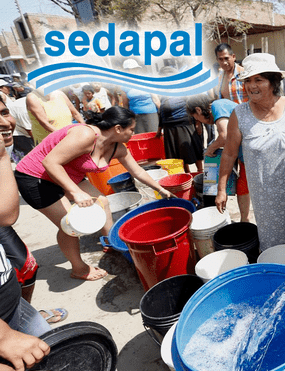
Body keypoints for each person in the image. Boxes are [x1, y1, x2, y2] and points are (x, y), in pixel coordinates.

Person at [14, 106, 173, 281]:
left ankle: (111, 242)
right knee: (69, 224)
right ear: (118, 129)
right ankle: (79, 269)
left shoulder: (118, 148)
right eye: (131, 130)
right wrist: (75, 193)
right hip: (35, 177)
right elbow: (50, 162)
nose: (132, 134)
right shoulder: (85, 134)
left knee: (102, 202)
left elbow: (138, 172)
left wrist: (161, 189)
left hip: (66, 175)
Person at [215, 53, 285, 250]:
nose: (251, 86)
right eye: (248, 80)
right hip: (265, 199)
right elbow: (229, 154)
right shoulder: (240, 114)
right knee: (272, 248)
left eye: (258, 80)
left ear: (273, 81)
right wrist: (221, 189)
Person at [0, 95, 51, 370]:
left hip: (12, 306)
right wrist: (3, 335)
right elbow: (7, 214)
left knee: (27, 268)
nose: (6, 122)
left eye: (5, 112)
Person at [212, 43, 252, 224]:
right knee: (227, 170)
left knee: (245, 175)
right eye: (220, 59)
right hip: (228, 130)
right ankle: (227, 214)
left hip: (245, 128)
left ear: (234, 56)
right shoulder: (219, 77)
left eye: (226, 58)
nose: (224, 62)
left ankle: (245, 218)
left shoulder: (245, 74)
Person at [155, 67, 204, 173]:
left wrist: (198, 123)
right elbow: (161, 112)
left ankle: (200, 172)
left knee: (194, 150)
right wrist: (159, 129)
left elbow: (195, 106)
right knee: (178, 155)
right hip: (169, 127)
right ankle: (187, 174)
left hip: (185, 124)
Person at [117, 59, 160, 134]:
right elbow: (125, 104)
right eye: (129, 70)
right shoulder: (124, 85)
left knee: (154, 135)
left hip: (151, 113)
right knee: (141, 137)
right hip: (135, 115)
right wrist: (125, 118)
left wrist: (163, 112)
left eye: (135, 69)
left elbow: (155, 99)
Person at [4, 98, 35, 163]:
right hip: (18, 133)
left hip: (22, 128)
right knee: (26, 156)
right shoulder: (23, 110)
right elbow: (29, 130)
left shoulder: (31, 101)